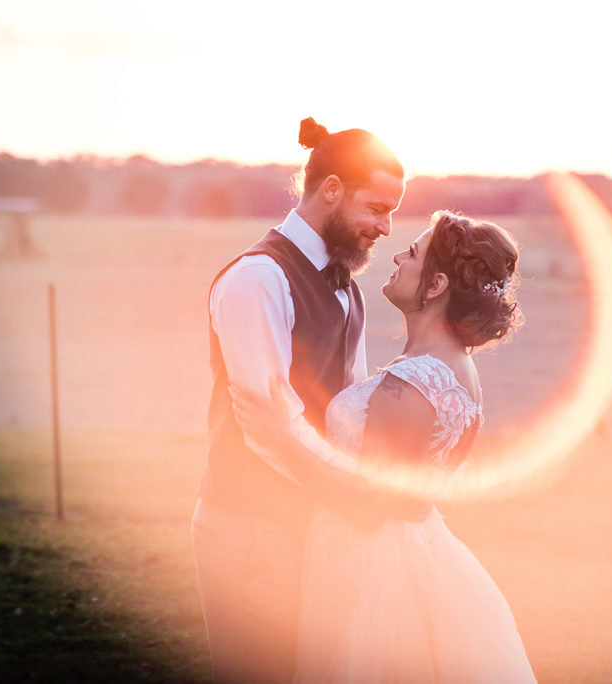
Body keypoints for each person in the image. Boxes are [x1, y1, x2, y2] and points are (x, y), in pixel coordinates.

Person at [232, 211, 537, 682]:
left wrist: (281, 438)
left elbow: (369, 505)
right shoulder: (453, 369)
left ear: (435, 286)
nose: (397, 254)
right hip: (412, 549)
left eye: (412, 253)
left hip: (371, 567)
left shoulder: (414, 384)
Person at [191, 117, 406, 683]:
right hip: (250, 526)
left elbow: (348, 408)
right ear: (331, 189)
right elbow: (268, 422)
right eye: (377, 208)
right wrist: (351, 488)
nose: (387, 227)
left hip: (314, 520)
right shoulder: (258, 278)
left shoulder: (349, 287)